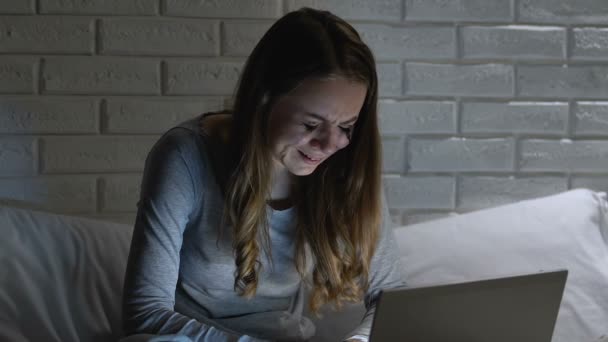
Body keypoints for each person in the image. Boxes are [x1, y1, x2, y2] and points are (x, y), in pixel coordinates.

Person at [121, 7, 404, 342]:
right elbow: (144, 312)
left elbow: (390, 296)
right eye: (311, 124)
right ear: (262, 100)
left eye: (346, 126)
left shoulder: (346, 170)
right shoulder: (184, 156)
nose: (330, 144)